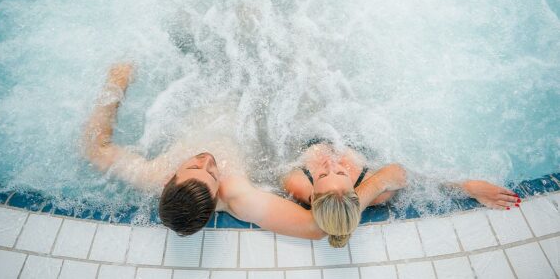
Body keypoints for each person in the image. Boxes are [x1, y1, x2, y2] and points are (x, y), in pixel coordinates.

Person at [83, 63, 326, 239]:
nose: (207, 160)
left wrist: (115, 84)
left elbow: (95, 149)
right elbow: (315, 228)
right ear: (217, 193)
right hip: (250, 91)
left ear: (171, 178)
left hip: (205, 78)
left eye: (193, 166)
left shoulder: (155, 174)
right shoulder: (237, 193)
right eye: (212, 173)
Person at [283, 140, 521, 248]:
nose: (330, 163)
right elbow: (410, 177)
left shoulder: (298, 182)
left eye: (329, 174)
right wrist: (467, 186)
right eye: (325, 174)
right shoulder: (376, 191)